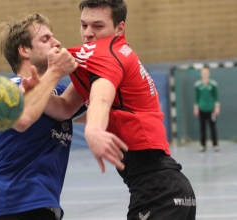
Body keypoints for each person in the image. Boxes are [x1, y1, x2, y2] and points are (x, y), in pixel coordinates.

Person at [26, 0, 196, 219]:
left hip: (157, 191)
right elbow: (67, 108)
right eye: (84, 25)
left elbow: (101, 97)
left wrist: (94, 128)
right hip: (167, 188)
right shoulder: (109, 56)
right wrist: (36, 94)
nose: (88, 33)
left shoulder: (106, 54)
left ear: (119, 28)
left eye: (98, 26)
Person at [0, 13, 85, 220]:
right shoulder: (6, 89)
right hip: (14, 206)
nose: (56, 43)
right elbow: (20, 120)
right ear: (24, 50)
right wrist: (56, 71)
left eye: (53, 37)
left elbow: (100, 114)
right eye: (45, 39)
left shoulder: (59, 93)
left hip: (44, 206)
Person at [194, 65, 220, 152]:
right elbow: (196, 98)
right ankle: (202, 145)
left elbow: (216, 97)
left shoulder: (213, 84)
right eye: (203, 72)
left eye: (206, 72)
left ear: (209, 73)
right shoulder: (198, 85)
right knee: (202, 127)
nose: (204, 74)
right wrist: (196, 107)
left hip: (211, 109)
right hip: (202, 108)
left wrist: (217, 107)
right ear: (201, 74)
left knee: (212, 127)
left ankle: (215, 145)